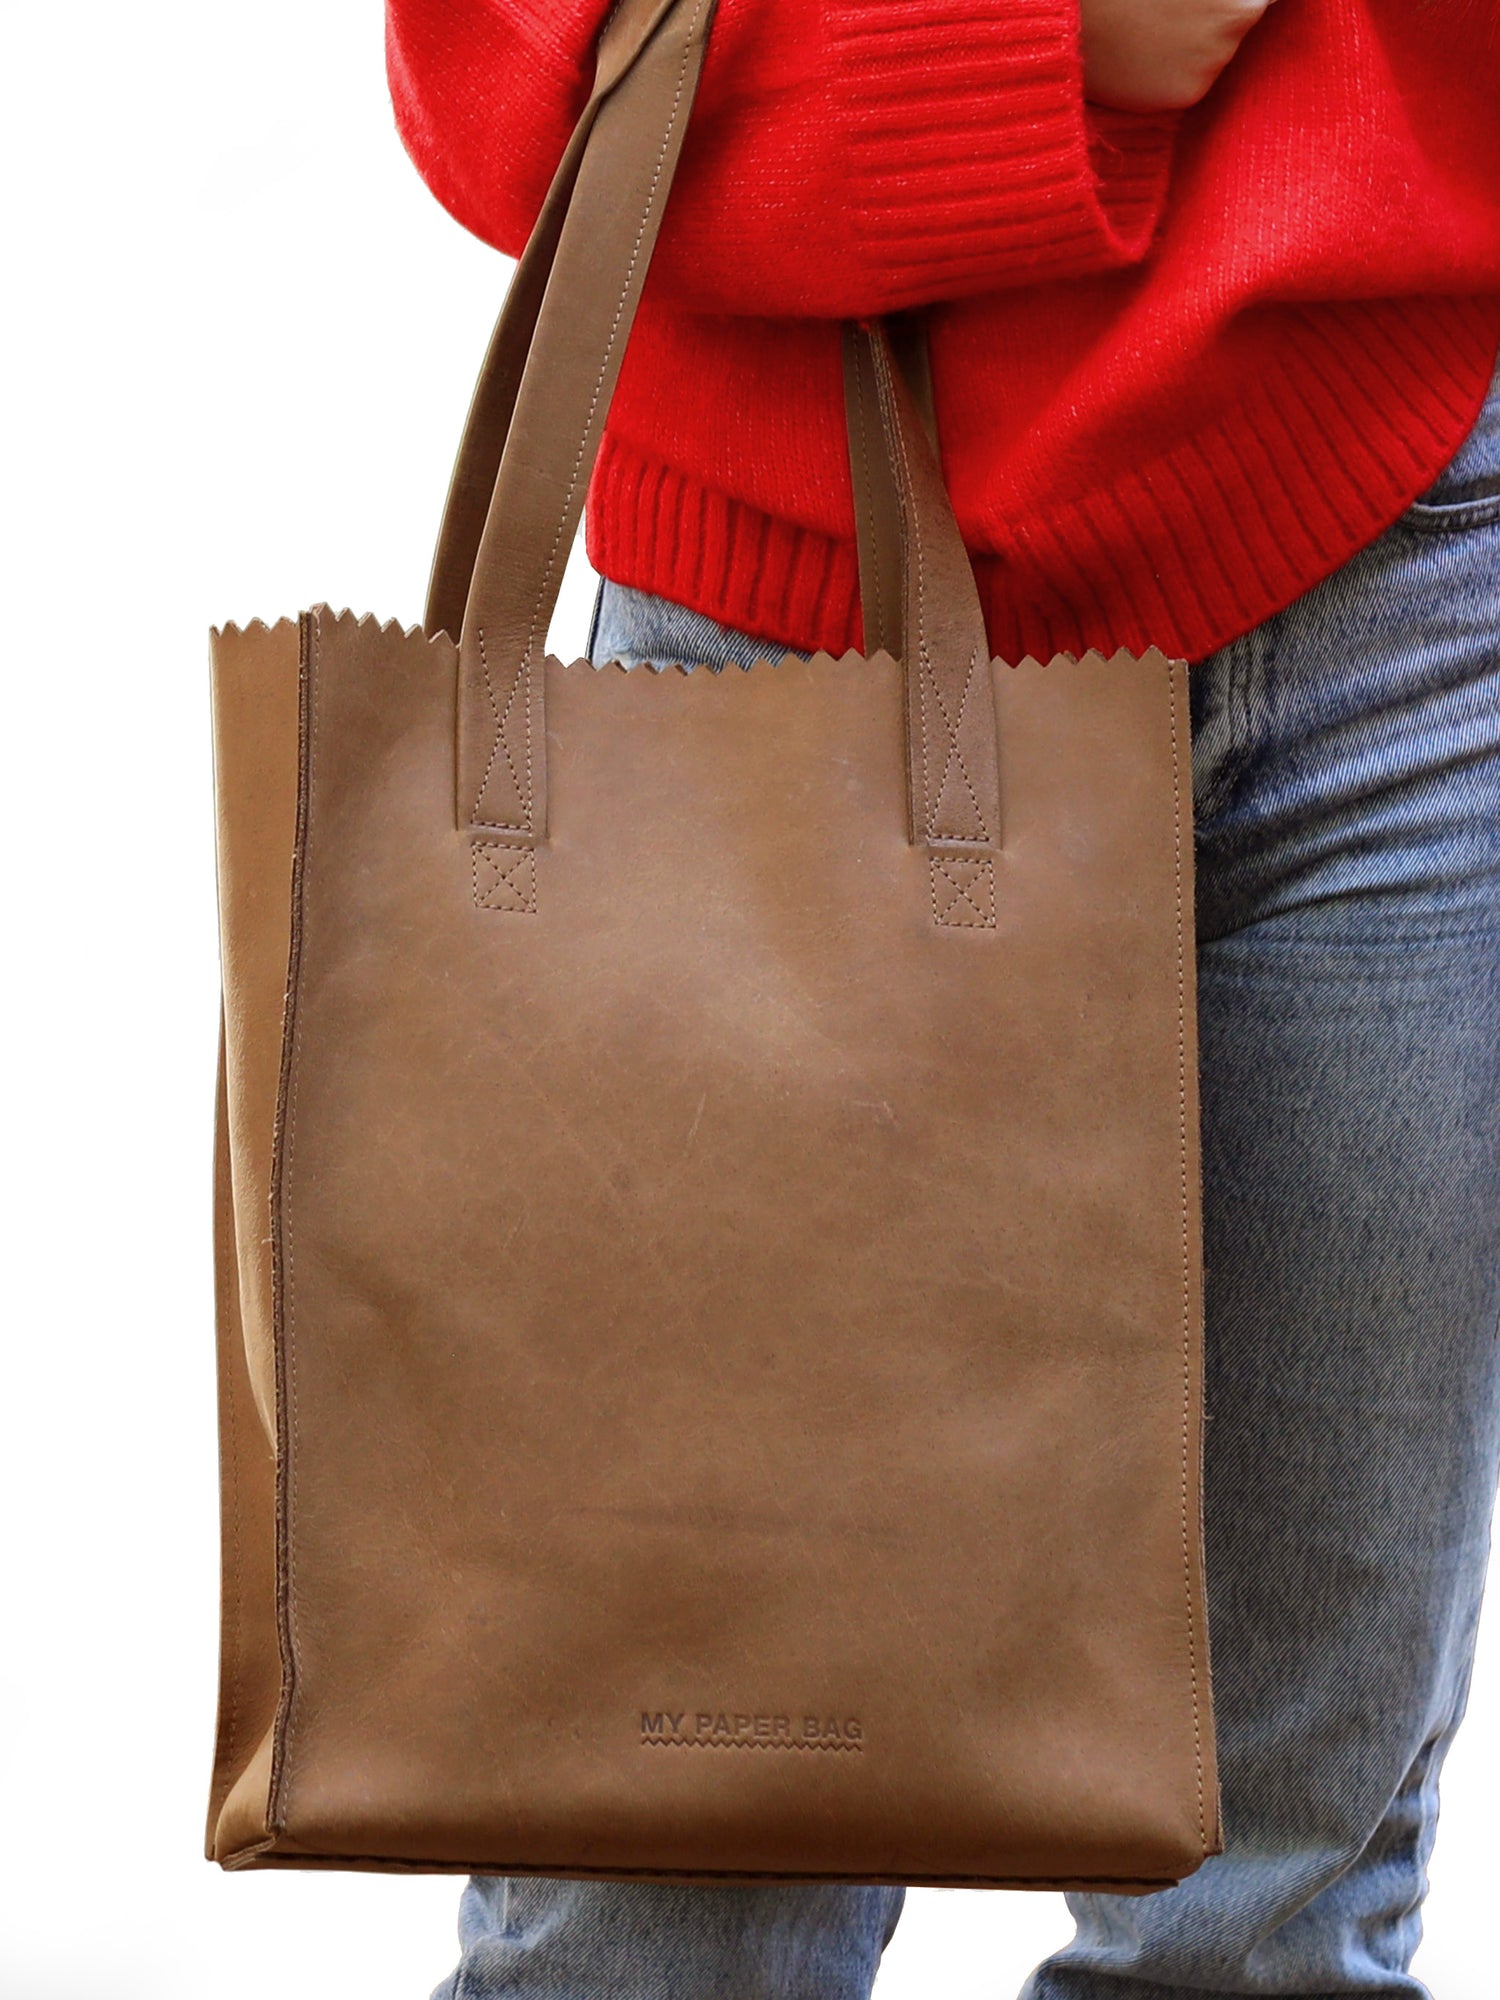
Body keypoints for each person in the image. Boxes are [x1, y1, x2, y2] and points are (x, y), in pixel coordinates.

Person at [385, 2, 1500, 1994]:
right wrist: (1021, 43)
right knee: (662, 1924)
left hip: (1411, 562)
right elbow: (494, 68)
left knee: (1273, 1932)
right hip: (768, 633)